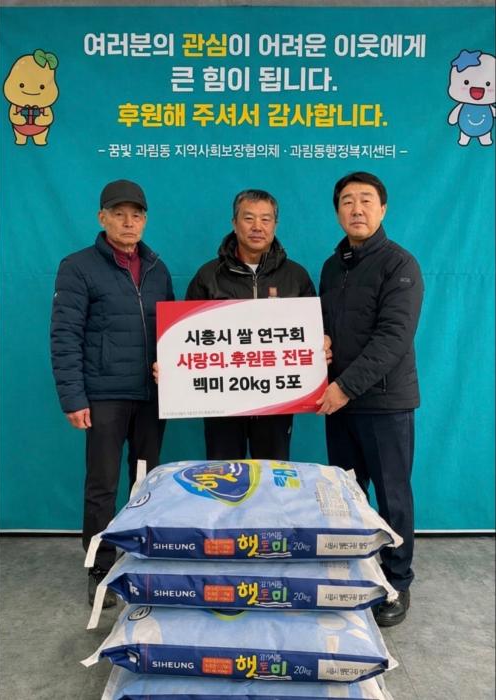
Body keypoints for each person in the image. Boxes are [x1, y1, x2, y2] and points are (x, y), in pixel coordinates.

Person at [50, 179, 174, 607]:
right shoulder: (78, 267)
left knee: (148, 481)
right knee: (102, 484)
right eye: (118, 214)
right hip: (103, 396)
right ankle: (100, 566)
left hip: (151, 397)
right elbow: (64, 335)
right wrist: (73, 397)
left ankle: (142, 555)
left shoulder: (157, 268)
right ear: (102, 218)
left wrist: (174, 372)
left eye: (136, 215)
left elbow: (174, 333)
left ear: (145, 220)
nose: (128, 222)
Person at [316, 171, 424, 627]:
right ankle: (356, 570)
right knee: (347, 496)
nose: (356, 209)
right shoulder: (331, 267)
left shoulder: (399, 264)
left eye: (365, 200)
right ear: (337, 211)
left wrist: (344, 386)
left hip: (384, 403)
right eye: (347, 201)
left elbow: (393, 338)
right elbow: (323, 327)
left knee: (392, 495)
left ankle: (397, 581)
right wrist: (319, 347)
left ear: (383, 209)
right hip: (340, 404)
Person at [185, 188, 317, 460]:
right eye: (248, 218)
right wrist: (173, 365)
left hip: (277, 402)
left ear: (275, 225)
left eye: (265, 219)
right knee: (225, 477)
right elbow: (186, 339)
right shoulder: (208, 276)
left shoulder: (297, 277)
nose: (257, 226)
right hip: (222, 404)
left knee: (272, 476)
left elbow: (314, 333)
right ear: (234, 223)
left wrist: (320, 345)